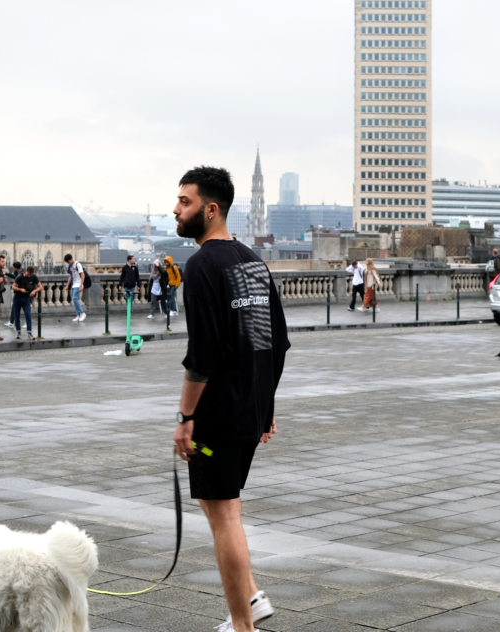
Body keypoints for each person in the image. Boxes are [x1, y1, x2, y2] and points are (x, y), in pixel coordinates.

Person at [170, 166, 289, 632]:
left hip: (218, 413)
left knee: (223, 516)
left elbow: (202, 356)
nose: (176, 209)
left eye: (184, 201)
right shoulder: (252, 261)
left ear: (211, 209)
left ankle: (242, 625)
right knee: (225, 508)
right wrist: (267, 408)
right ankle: (252, 599)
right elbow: (274, 342)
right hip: (249, 407)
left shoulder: (201, 266)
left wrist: (185, 417)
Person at [11, 265, 42, 339]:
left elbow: (40, 286)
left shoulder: (34, 277)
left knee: (28, 315)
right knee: (16, 316)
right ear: (26, 271)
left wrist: (34, 291)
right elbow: (13, 287)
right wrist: (20, 289)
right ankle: (18, 332)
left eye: (31, 275)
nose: (29, 276)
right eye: (28, 274)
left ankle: (29, 333)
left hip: (26, 298)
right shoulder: (20, 276)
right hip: (17, 298)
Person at [65, 254, 86, 322]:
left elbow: (83, 275)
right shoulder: (70, 266)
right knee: (74, 299)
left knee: (74, 298)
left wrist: (81, 285)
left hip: (78, 284)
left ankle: (82, 313)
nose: (68, 263)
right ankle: (78, 314)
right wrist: (67, 285)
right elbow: (71, 276)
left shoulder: (78, 264)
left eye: (68, 262)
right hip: (74, 284)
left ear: (71, 259)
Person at [3, 261, 23, 328]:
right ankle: (11, 322)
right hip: (17, 292)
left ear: (16, 268)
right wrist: (6, 273)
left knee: (25, 308)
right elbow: (14, 277)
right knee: (14, 307)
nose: (13, 268)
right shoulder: (16, 272)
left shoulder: (22, 273)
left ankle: (27, 323)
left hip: (23, 293)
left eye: (14, 267)